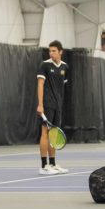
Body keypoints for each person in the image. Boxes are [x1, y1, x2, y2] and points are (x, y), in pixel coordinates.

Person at [36, 40, 69, 175]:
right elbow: (40, 85)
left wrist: (60, 103)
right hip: (47, 104)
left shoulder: (65, 67)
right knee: (45, 133)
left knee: (54, 135)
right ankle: (44, 166)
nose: (51, 53)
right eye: (50, 51)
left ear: (61, 52)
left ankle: (53, 164)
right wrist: (40, 105)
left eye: (54, 51)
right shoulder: (44, 65)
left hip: (58, 105)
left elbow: (62, 86)